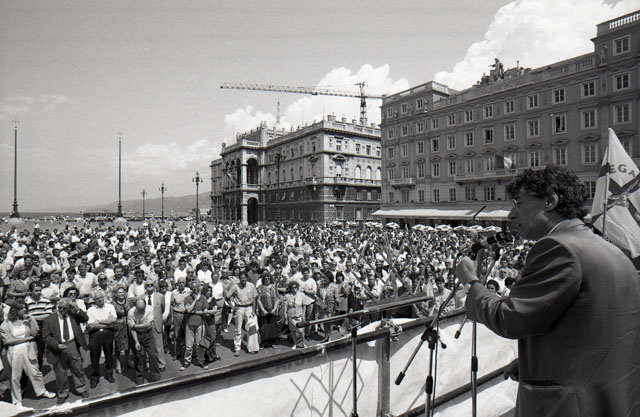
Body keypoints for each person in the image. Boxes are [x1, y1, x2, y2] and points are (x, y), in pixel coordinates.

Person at [455, 167, 640, 417]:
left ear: (550, 201)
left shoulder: (558, 247)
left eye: (519, 203)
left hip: (569, 405)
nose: (511, 214)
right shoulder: (607, 248)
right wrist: (540, 361)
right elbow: (593, 329)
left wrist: (471, 282)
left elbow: (511, 319)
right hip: (607, 397)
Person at [0, 302, 56, 406]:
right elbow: (8, 341)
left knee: (35, 371)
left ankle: (41, 391)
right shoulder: (5, 324)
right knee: (15, 376)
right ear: (16, 310)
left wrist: (31, 321)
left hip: (28, 349)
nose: (25, 310)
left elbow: (34, 334)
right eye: (23, 308)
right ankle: (17, 400)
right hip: (14, 351)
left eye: (26, 308)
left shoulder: (28, 320)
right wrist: (26, 339)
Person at [41, 297, 90, 404]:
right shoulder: (49, 320)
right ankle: (62, 392)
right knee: (60, 372)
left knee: (77, 368)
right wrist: (57, 345)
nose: (61, 310)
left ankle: (81, 388)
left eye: (65, 308)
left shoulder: (74, 315)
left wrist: (77, 309)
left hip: (72, 345)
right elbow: (46, 336)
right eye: (60, 307)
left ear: (69, 308)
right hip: (58, 347)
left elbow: (85, 318)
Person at [86, 288, 117, 388]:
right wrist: (107, 323)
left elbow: (113, 320)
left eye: (101, 297)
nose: (99, 299)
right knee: (95, 357)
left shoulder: (110, 307)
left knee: (109, 355)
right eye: (97, 298)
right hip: (95, 334)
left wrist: (98, 321)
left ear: (104, 298)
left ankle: (109, 374)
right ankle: (94, 378)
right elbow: (91, 325)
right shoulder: (90, 310)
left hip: (108, 333)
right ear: (94, 300)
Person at [127, 298, 161, 384]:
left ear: (145, 306)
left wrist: (135, 326)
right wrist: (136, 342)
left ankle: (155, 377)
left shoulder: (150, 309)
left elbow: (148, 325)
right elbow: (132, 329)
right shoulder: (131, 312)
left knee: (152, 355)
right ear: (135, 307)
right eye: (139, 309)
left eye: (142, 309)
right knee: (137, 356)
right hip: (136, 334)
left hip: (147, 334)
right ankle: (139, 379)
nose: (141, 311)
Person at [227, 271, 257, 357]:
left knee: (250, 328)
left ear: (247, 278)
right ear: (239, 279)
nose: (243, 279)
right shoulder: (235, 286)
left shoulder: (251, 286)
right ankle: (237, 348)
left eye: (244, 277)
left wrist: (253, 310)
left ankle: (251, 347)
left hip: (249, 308)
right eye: (241, 278)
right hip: (239, 308)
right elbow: (227, 297)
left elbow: (255, 298)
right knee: (238, 329)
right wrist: (232, 307)